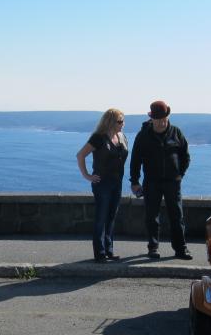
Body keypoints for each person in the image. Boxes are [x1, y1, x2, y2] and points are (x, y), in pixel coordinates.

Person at [129, 100, 192, 260]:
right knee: (152, 216)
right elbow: (135, 159)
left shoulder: (176, 132)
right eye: (158, 120)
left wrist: (180, 174)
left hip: (173, 182)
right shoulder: (143, 135)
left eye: (164, 119)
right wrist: (134, 181)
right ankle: (153, 248)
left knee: (177, 216)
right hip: (152, 182)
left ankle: (181, 249)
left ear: (168, 116)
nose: (161, 123)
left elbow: (185, 156)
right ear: (152, 119)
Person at [76, 108, 128, 263]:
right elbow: (80, 155)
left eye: (123, 121)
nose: (123, 124)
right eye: (120, 121)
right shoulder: (98, 138)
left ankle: (109, 250)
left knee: (111, 217)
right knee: (101, 217)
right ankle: (99, 253)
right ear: (110, 121)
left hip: (117, 183)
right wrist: (87, 176)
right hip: (102, 184)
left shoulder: (122, 137)